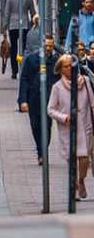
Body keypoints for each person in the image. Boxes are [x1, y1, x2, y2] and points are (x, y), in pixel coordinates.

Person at [46, 55, 94, 200]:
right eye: (67, 66)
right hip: (68, 129)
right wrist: (64, 117)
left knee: (85, 159)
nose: (70, 68)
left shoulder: (84, 81)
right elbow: (50, 109)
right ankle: (74, 190)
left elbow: (92, 103)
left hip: (85, 126)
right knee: (72, 162)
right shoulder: (57, 88)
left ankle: (81, 180)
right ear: (61, 70)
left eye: (72, 65)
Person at [18, 35, 61, 165]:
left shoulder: (55, 62)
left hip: (49, 101)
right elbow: (24, 80)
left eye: (50, 46)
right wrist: (23, 100)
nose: (48, 48)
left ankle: (43, 152)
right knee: (36, 126)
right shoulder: (31, 60)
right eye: (46, 46)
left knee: (47, 126)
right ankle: (40, 150)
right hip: (34, 99)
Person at [0, 0, 37, 79]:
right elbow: (33, 13)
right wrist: (34, 24)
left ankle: (14, 71)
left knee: (13, 50)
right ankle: (24, 69)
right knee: (25, 48)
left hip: (13, 26)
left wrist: (4, 28)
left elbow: (7, 13)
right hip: (24, 24)